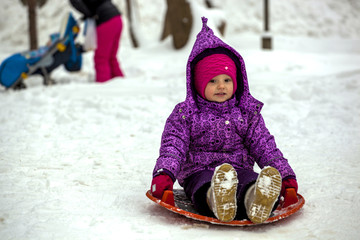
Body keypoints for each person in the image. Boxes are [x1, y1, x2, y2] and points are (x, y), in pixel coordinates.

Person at [150, 17, 298, 224]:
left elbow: (264, 145)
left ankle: (256, 199)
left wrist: (285, 175)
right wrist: (164, 173)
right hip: (198, 171)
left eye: (227, 80)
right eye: (213, 81)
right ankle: (216, 199)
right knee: (203, 185)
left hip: (239, 170)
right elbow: (173, 146)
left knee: (251, 181)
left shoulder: (246, 112)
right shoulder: (186, 114)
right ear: (198, 84)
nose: (221, 86)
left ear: (236, 82)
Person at [69, 0, 124, 83]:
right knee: (111, 57)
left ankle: (103, 86)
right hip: (117, 18)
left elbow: (81, 6)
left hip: (106, 21)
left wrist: (89, 14)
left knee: (101, 58)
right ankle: (121, 84)